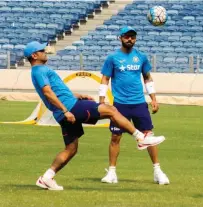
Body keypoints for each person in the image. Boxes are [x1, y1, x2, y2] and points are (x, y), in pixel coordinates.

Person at [24, 41, 165, 191]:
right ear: (34, 55)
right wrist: (66, 110)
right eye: (42, 50)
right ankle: (140, 138)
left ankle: (46, 178)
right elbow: (47, 93)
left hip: (68, 107)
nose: (45, 51)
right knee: (111, 110)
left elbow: (57, 90)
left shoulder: (40, 70)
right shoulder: (39, 70)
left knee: (71, 149)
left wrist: (78, 96)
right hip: (70, 108)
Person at [99, 26, 169, 185]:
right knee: (115, 137)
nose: (130, 39)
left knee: (149, 137)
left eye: (132, 37)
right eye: (126, 36)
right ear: (120, 38)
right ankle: (111, 173)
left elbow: (148, 78)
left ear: (135, 39)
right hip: (120, 105)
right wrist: (101, 101)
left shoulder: (141, 57)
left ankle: (158, 171)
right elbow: (105, 79)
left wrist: (154, 98)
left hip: (139, 103)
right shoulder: (112, 58)